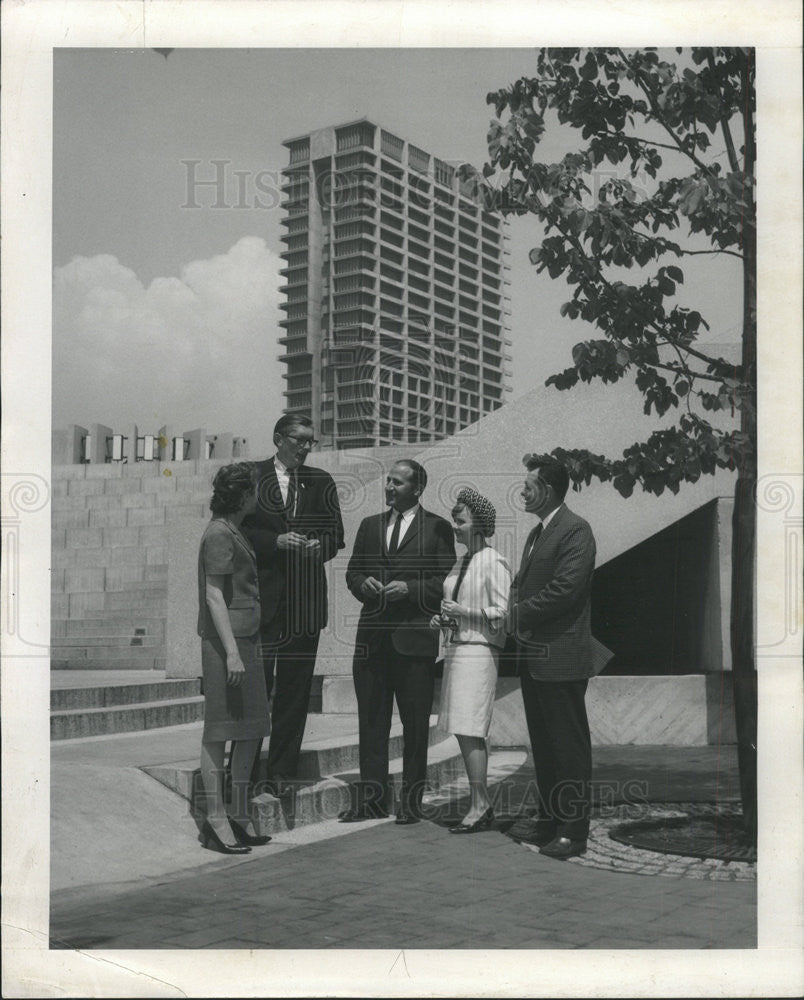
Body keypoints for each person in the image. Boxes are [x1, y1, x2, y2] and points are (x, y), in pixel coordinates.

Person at [506, 457, 613, 859]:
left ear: (548, 489)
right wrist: (509, 607)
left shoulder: (575, 529)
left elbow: (565, 589)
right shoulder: (538, 533)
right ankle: (550, 821)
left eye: (528, 485)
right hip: (535, 656)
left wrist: (515, 614)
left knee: (567, 746)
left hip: (562, 657)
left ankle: (573, 830)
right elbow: (522, 585)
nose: (522, 491)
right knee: (546, 745)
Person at [343, 459, 455, 824]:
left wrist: (409, 589)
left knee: (416, 725)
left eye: (398, 483)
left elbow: (444, 583)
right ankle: (372, 799)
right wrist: (364, 586)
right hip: (373, 640)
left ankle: (411, 801)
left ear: (417, 489)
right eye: (388, 481)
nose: (389, 487)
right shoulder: (369, 526)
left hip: (415, 641)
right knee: (372, 722)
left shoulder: (437, 528)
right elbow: (353, 572)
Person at [240, 415, 345, 797]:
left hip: (305, 605)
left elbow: (336, 534)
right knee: (256, 690)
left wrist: (321, 545)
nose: (304, 447)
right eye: (298, 440)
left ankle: (282, 772)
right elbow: (238, 530)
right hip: (261, 603)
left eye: (310, 442)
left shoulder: (321, 482)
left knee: (295, 692)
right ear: (277, 438)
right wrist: (275, 543)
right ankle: (247, 773)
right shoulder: (252, 476)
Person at [197, 462, 271, 854]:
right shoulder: (219, 534)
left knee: (251, 728)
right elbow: (213, 595)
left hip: (246, 640)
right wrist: (230, 655)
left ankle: (239, 814)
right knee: (220, 730)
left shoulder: (233, 530)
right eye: (255, 492)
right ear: (243, 496)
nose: (258, 498)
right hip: (227, 644)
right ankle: (216, 818)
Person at [431, 488, 512, 833]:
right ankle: (480, 803)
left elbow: (502, 613)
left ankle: (480, 805)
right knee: (464, 730)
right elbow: (456, 603)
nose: (455, 527)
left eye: (460, 521)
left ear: (477, 524)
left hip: (479, 653)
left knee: (471, 729)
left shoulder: (494, 562)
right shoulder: (462, 561)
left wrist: (463, 612)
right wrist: (445, 619)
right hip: (457, 650)